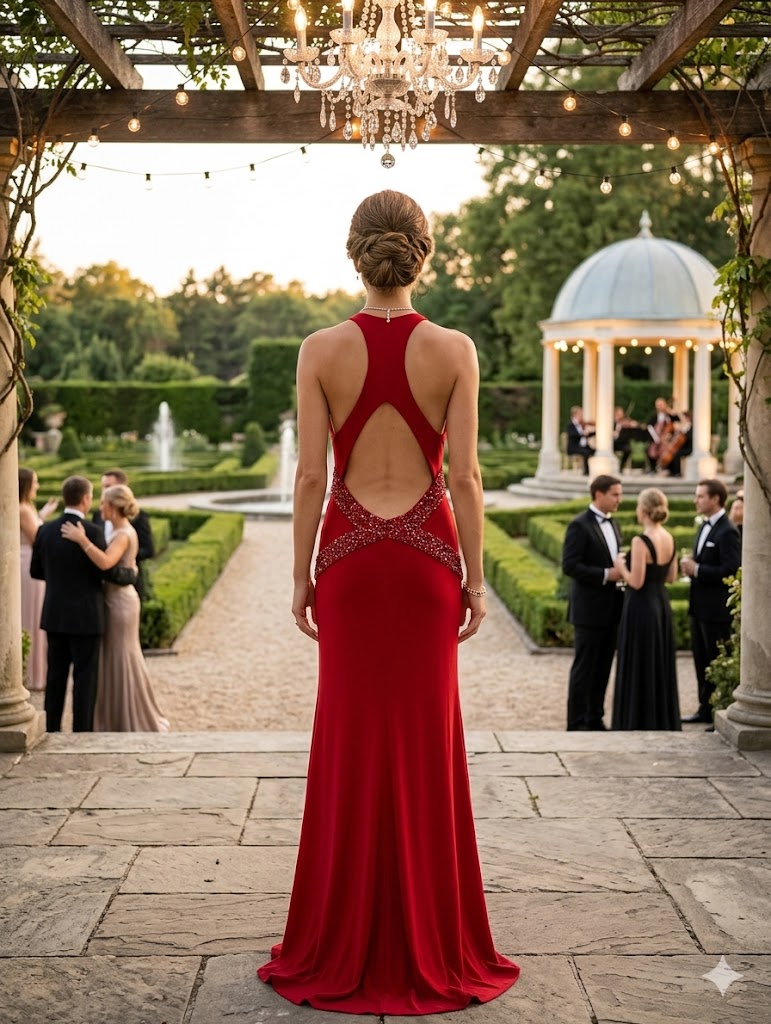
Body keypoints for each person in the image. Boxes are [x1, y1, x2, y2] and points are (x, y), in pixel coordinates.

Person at [257, 191, 520, 1013]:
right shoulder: (454, 349)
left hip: (347, 561)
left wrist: (301, 575)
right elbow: (467, 478)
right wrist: (475, 582)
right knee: (422, 742)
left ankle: (338, 937)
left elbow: (309, 476)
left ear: (354, 253)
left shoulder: (318, 349)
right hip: (425, 563)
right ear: (423, 254)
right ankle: (430, 938)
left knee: (347, 738)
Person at [62, 484, 169, 733]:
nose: (100, 508)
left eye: (103, 503)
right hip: (117, 599)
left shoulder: (122, 534)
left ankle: (128, 717)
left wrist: (82, 540)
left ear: (113, 506)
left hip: (119, 602)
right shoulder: (122, 530)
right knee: (115, 657)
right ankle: (115, 715)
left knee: (121, 656)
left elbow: (107, 563)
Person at [30, 475, 106, 731]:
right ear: (86, 499)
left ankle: (51, 729)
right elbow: (103, 573)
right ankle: (81, 732)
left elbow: (35, 571)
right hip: (87, 616)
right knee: (85, 679)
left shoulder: (45, 530)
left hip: (56, 614)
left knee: (55, 677)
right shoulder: (94, 532)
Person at [611, 488, 680, 730]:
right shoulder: (669, 537)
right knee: (657, 662)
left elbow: (636, 581)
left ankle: (636, 720)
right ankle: (660, 718)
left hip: (641, 607)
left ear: (643, 510)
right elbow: (672, 577)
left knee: (640, 661)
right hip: (661, 603)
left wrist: (621, 565)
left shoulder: (641, 541)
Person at [562, 474, 624, 730]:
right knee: (584, 669)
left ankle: (595, 718)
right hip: (588, 611)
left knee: (604, 667)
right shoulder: (579, 525)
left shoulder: (615, 524)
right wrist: (606, 575)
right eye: (615, 495)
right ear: (599, 494)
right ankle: (576, 723)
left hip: (612, 608)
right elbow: (570, 565)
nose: (619, 500)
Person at [679, 479, 741, 726]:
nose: (696, 500)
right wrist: (692, 568)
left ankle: (717, 711)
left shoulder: (727, 530)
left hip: (716, 611)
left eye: (700, 496)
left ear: (715, 499)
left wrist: (698, 569)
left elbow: (730, 569)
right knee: (700, 661)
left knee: (714, 660)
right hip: (699, 607)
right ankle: (704, 709)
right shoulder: (704, 525)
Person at [18, 468, 59, 690]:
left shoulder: (26, 507)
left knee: (32, 613)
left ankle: (33, 671)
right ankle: (33, 674)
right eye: (35, 482)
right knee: (32, 614)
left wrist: (42, 515)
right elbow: (38, 539)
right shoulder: (23, 508)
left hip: (27, 560)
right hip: (27, 564)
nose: (38, 486)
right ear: (26, 484)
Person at [93, 468, 155, 601]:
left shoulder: (139, 517)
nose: (104, 490)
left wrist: (122, 554)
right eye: (103, 486)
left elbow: (149, 549)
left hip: (126, 583)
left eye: (108, 486)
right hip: (101, 587)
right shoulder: (99, 515)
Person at [646, 396, 677, 473]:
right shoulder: (653, 416)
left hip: (667, 439)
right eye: (658, 405)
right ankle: (653, 468)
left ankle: (669, 468)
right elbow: (649, 426)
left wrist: (670, 434)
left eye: (662, 405)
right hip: (655, 437)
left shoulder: (670, 416)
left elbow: (676, 423)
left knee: (670, 450)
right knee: (649, 449)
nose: (660, 407)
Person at [660, 409, 693, 478]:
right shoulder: (682, 426)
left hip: (688, 447)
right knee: (673, 452)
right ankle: (671, 471)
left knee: (677, 453)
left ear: (687, 418)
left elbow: (689, 438)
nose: (681, 420)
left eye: (683, 418)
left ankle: (677, 472)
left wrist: (683, 432)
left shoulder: (691, 427)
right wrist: (671, 436)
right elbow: (677, 438)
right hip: (681, 447)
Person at [566, 405, 595, 475]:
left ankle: (594, 469)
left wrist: (595, 432)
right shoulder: (570, 425)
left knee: (595, 451)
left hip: (583, 446)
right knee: (586, 453)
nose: (582, 416)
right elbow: (573, 435)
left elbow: (586, 435)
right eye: (580, 414)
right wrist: (583, 434)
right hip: (574, 447)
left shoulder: (581, 425)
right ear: (575, 415)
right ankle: (586, 472)